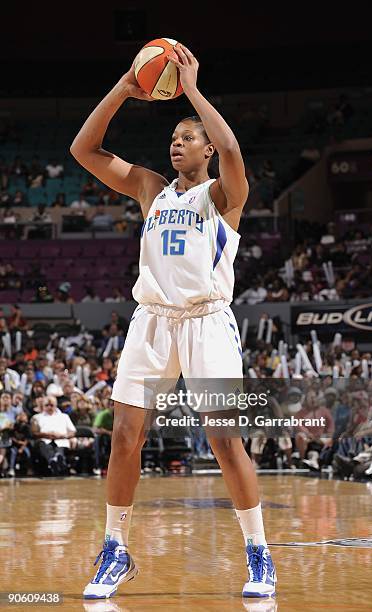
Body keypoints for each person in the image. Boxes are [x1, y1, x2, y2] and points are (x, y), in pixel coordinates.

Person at [71, 44, 276, 600]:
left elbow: (232, 146)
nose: (176, 144)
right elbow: (84, 149)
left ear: (206, 149)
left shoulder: (223, 196)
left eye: (187, 138)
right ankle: (116, 550)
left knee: (225, 440)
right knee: (124, 438)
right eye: (173, 138)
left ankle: (259, 556)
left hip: (208, 322)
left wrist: (190, 89)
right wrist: (124, 87)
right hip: (152, 322)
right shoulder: (150, 189)